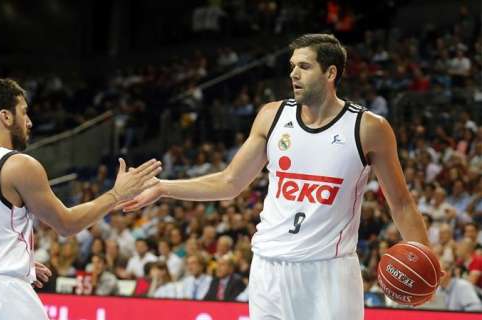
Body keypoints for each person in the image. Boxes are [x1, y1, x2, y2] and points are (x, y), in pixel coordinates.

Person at [121, 34, 434, 320]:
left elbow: (402, 205)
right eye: (292, 66)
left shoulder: (369, 128)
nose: (293, 74)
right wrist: (163, 187)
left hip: (330, 271)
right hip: (269, 268)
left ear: (331, 73)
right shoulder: (272, 116)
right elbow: (229, 182)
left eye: (304, 66)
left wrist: (425, 258)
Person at [0, 77, 161, 320]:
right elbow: (67, 224)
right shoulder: (17, 164)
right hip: (3, 298)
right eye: (24, 112)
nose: (29, 121)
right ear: (5, 116)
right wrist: (117, 194)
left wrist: (6, 261)